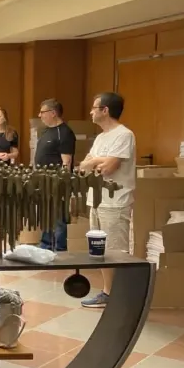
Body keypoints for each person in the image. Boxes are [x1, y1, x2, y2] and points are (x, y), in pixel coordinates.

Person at [79, 92, 136, 308]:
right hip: (96, 200)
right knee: (99, 251)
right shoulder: (100, 138)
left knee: (115, 250)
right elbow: (84, 167)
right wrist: (96, 162)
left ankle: (121, 297)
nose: (91, 112)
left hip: (115, 202)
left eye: (94, 108)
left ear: (105, 110)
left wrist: (94, 162)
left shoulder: (124, 135)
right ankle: (107, 292)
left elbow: (108, 168)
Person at [35, 98, 76, 251]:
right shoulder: (46, 131)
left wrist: (63, 184)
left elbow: (67, 161)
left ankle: (59, 250)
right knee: (46, 215)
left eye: (42, 112)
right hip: (44, 181)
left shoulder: (64, 133)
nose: (40, 115)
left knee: (59, 217)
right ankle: (46, 245)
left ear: (53, 113)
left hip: (58, 182)